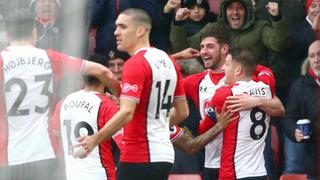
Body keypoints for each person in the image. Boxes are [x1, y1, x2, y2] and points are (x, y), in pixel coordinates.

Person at [0, 9, 118, 180]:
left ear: (7, 34)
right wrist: (121, 95)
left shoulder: (2, 61)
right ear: (34, 31)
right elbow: (101, 71)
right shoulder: (49, 57)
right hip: (45, 153)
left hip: (9, 155)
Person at [76, 8, 189, 180]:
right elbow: (182, 112)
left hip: (139, 155)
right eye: (116, 27)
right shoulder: (169, 60)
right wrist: (153, 124)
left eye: (122, 27)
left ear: (140, 31)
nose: (116, 32)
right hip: (164, 154)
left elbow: (127, 113)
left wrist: (94, 140)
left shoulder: (135, 63)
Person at [199, 48, 282, 179]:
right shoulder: (266, 86)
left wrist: (219, 123)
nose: (222, 69)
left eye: (226, 64)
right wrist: (246, 62)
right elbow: (265, 71)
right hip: (259, 171)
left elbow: (203, 129)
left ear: (238, 70)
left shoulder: (224, 94)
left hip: (234, 171)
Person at [51, 71, 123, 180]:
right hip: (101, 175)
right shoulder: (106, 105)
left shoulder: (63, 102)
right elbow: (124, 144)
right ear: (105, 77)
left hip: (71, 175)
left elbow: (55, 139)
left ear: (82, 77)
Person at [282, 40, 320, 180]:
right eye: (312, 56)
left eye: (319, 54)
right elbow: (289, 118)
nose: (316, 60)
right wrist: (294, 131)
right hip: (314, 162)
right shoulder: (299, 86)